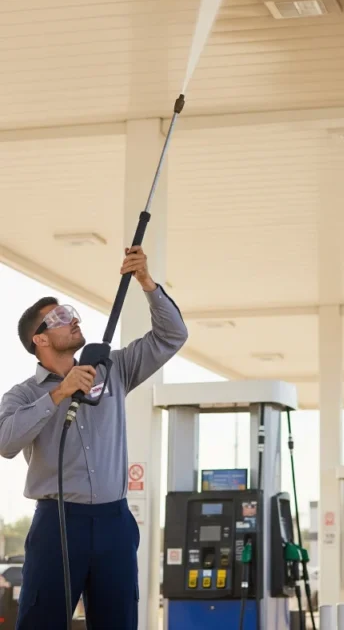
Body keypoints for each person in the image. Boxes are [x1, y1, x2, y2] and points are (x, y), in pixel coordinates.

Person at [0, 246, 188, 630]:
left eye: (70, 312)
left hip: (113, 521)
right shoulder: (22, 395)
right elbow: (5, 443)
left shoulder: (113, 368)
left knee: (118, 620)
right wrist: (59, 393)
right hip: (57, 523)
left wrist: (147, 283)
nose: (71, 320)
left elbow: (173, 336)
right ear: (40, 340)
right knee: (41, 621)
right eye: (58, 318)